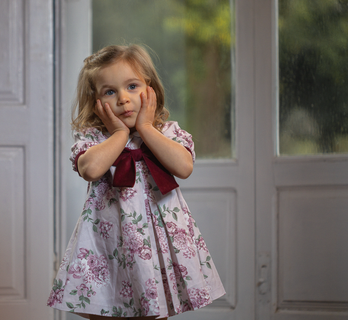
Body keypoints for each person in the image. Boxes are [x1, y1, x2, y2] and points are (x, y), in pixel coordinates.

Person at [47, 44, 225, 320]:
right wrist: (119, 134)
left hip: (156, 246)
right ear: (95, 101)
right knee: (105, 310)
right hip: (109, 247)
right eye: (109, 91)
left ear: (150, 90)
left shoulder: (166, 132)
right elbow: (91, 169)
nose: (123, 99)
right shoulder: (95, 138)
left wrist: (144, 128)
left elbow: (183, 167)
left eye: (132, 86)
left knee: (154, 311)